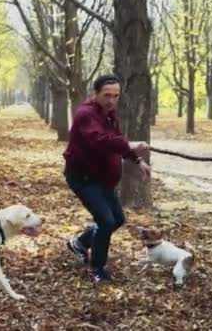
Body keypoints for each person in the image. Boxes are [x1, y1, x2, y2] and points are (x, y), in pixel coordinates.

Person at [63, 74, 151, 283]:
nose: (111, 100)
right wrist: (130, 145)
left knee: (117, 219)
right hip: (83, 178)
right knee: (105, 220)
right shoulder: (86, 114)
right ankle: (97, 268)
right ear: (96, 94)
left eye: (115, 96)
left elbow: (116, 141)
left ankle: (80, 243)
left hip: (104, 179)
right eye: (107, 95)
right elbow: (100, 140)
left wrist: (137, 161)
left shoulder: (110, 114)